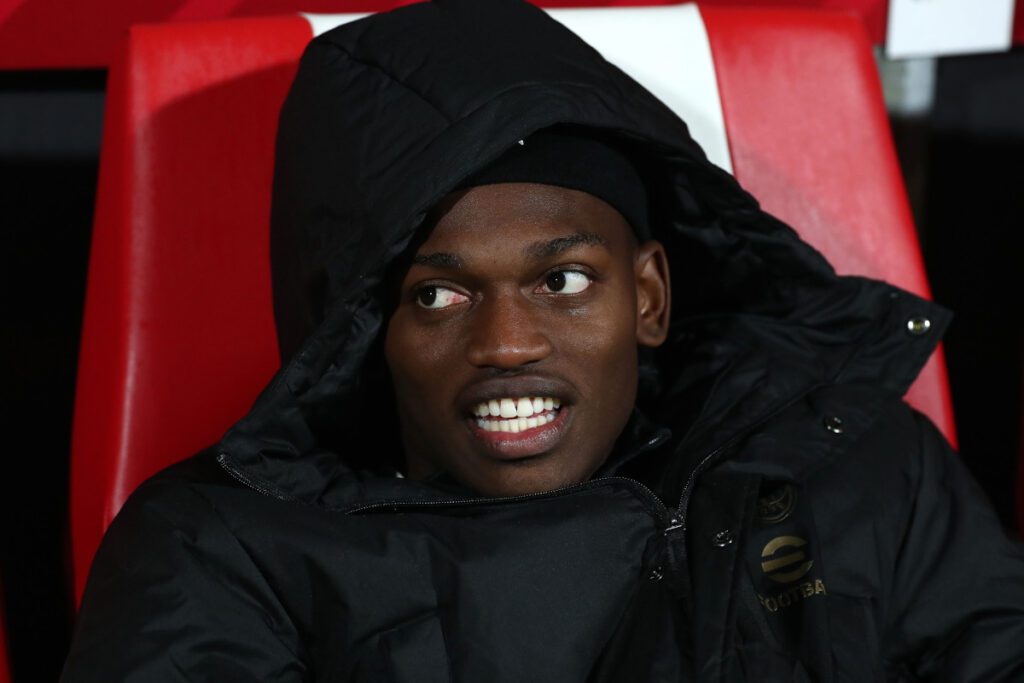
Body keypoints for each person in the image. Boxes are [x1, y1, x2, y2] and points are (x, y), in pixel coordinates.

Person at [63, 0, 1024, 680]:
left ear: (648, 295)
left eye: (563, 281)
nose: (508, 342)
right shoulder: (220, 549)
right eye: (438, 294)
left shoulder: (853, 461)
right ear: (361, 333)